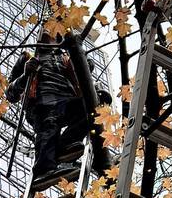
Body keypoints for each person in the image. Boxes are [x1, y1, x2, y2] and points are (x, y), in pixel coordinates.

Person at [6, 39, 110, 177]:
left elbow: (86, 69)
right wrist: (25, 75)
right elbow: (10, 94)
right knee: (49, 125)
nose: (50, 35)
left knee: (92, 110)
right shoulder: (27, 57)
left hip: (67, 102)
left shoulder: (66, 57)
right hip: (41, 104)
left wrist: (81, 58)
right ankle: (44, 169)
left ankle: (64, 146)